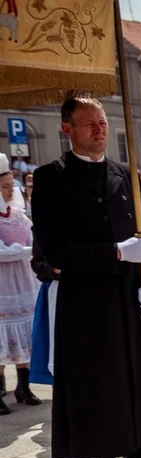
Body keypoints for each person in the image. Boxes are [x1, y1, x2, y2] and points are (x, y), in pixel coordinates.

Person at [32, 95, 141, 458]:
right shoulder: (51, 178)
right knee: (100, 384)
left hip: (132, 296)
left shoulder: (126, 174)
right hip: (88, 303)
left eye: (103, 121)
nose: (99, 129)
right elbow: (55, 249)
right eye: (88, 123)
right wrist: (114, 252)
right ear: (67, 128)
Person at [0, 154, 40, 414]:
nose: (10, 189)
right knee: (2, 335)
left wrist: (28, 250)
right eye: (4, 186)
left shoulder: (19, 215)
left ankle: (23, 386)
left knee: (25, 333)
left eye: (10, 185)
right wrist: (27, 251)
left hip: (23, 281)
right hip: (2, 284)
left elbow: (35, 239)